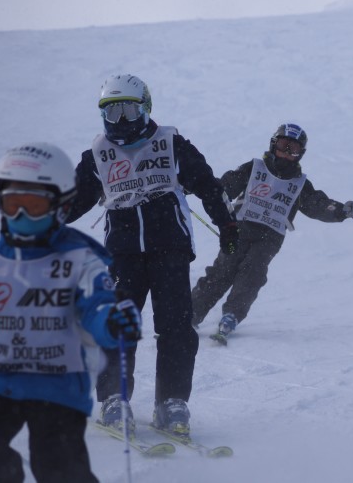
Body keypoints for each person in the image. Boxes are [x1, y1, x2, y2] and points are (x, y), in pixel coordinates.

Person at [66, 74, 238, 438]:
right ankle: (114, 399)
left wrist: (227, 226)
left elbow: (208, 185)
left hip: (170, 249)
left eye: (129, 110)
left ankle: (171, 402)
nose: (122, 121)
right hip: (122, 254)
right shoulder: (99, 154)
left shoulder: (170, 144)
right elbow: (71, 202)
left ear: (146, 109)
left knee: (176, 325)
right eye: (112, 113)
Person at [0, 142, 141, 483]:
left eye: (34, 206)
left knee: (58, 466)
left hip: (57, 380)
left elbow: (97, 305)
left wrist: (111, 322)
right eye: (13, 204)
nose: (20, 216)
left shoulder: (79, 260)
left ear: (60, 205)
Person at [190, 123, 353, 344]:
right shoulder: (255, 168)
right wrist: (200, 185)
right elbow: (226, 186)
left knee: (253, 273)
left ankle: (231, 315)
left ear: (301, 154)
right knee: (223, 270)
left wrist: (340, 211)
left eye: (294, 149)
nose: (287, 152)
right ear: (273, 144)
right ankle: (190, 314)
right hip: (241, 228)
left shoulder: (299, 184)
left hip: (269, 237)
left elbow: (317, 204)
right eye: (283, 145)